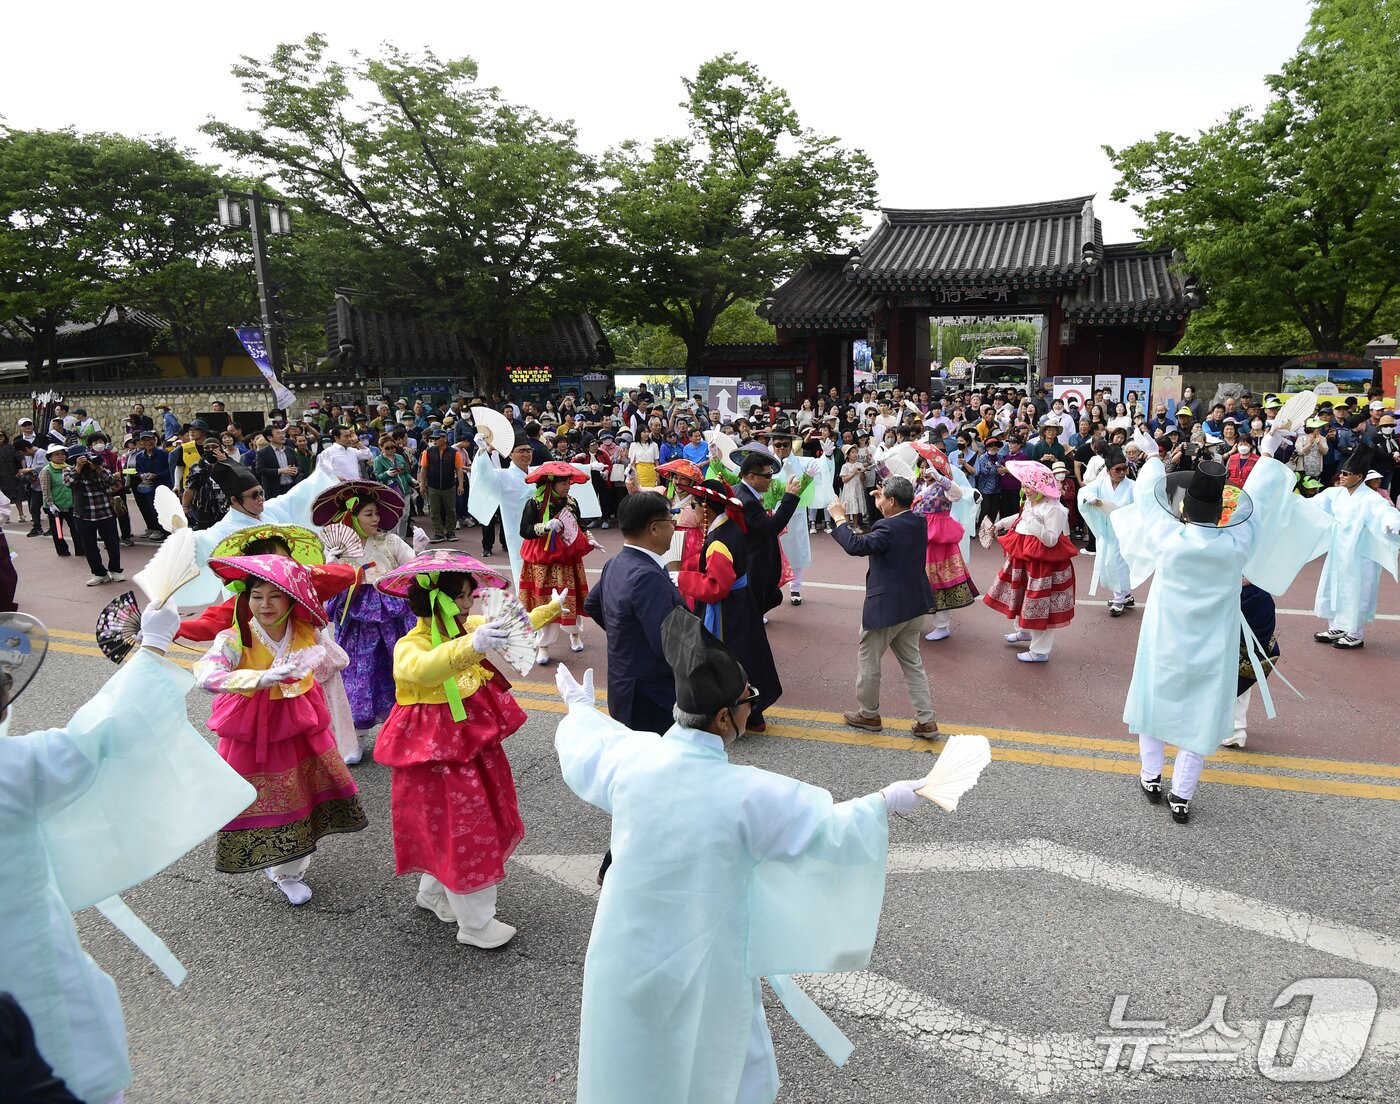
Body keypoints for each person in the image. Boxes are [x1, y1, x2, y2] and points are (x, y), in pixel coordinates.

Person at [552, 606, 935, 1104]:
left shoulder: (636, 759)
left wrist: (580, 710)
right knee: (717, 1061)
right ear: (722, 717)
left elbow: (591, 748)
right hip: (705, 957)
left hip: (627, 948)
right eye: (746, 701)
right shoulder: (746, 793)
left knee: (633, 1059)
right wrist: (886, 802)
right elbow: (827, 829)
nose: (751, 708)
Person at [0, 609, 255, 1104]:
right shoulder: (12, 770)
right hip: (23, 973)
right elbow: (97, 739)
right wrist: (152, 649)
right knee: (62, 1058)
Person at [1111, 430, 1327, 822]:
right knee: (1203, 711)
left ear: (1184, 510)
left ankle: (1150, 776)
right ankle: (1182, 794)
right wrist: (1267, 453)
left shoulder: (1168, 538)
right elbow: (1259, 505)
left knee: (1152, 700)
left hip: (1165, 640)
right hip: (1212, 645)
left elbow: (1147, 501)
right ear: (1223, 512)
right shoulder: (1236, 545)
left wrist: (1153, 458)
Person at [373, 551, 564, 947]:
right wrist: (470, 645)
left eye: (468, 595)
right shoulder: (410, 645)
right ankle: (475, 924)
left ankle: (434, 891)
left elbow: (511, 626)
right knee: (464, 827)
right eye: (461, 596)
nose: (469, 603)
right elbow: (424, 669)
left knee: (450, 822)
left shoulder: (464, 627)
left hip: (467, 748)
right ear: (437, 599)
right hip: (436, 756)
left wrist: (549, 609)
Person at [193, 554, 369, 903]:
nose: (265, 604)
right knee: (261, 796)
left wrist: (313, 661)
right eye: (256, 595)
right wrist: (257, 678)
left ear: (291, 598)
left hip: (300, 721)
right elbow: (206, 674)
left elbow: (338, 660)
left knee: (302, 793)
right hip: (252, 727)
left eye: (274, 595)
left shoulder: (306, 631)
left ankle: (290, 869)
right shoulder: (236, 634)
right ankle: (276, 862)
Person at [827, 475, 939, 735]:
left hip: (887, 606)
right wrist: (884, 506)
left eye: (883, 496)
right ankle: (926, 720)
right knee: (913, 663)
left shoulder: (887, 528)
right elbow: (890, 527)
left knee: (869, 660)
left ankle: (868, 714)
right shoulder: (917, 521)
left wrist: (840, 518)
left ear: (892, 500)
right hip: (914, 603)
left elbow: (856, 545)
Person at [313, 481, 417, 757]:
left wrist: (419, 553)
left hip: (393, 623)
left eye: (376, 513)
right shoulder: (337, 548)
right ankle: (353, 737)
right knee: (357, 675)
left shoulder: (390, 541)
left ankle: (398, 730)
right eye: (369, 514)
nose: (376, 519)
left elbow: (413, 568)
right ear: (352, 517)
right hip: (356, 624)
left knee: (397, 672)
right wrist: (330, 563)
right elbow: (323, 587)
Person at [676, 479, 784, 733]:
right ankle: (753, 714)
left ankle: (730, 716)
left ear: (706, 507)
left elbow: (715, 586)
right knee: (750, 655)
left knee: (726, 659)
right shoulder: (729, 526)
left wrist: (681, 577)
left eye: (695, 504)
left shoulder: (718, 540)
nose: (693, 509)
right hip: (741, 603)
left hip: (726, 610)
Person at [583, 490, 686, 736]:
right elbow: (669, 644)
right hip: (652, 697)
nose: (674, 529)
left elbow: (592, 604)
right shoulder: (648, 576)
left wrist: (626, 636)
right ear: (654, 529)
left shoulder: (616, 563)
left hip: (622, 686)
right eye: (671, 522)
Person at [983, 460, 1079, 663]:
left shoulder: (1055, 509)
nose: (1025, 489)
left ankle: (1040, 650)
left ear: (1040, 487)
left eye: (1029, 486)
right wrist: (1000, 524)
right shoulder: (1032, 502)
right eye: (1024, 485)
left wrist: (1033, 520)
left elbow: (1051, 540)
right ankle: (1024, 630)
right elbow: (1020, 518)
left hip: (1044, 564)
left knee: (1041, 603)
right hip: (1025, 557)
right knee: (1023, 595)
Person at [1311, 445, 1400, 650]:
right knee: (1333, 585)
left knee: (1357, 589)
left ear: (1359, 477)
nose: (1341, 476)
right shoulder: (1336, 494)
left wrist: (1392, 523)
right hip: (1338, 550)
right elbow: (1313, 505)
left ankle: (1355, 632)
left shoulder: (1371, 498)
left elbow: (1386, 512)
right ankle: (1336, 626)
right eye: (1341, 472)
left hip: (1359, 553)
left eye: (1346, 474)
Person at [519, 461, 595, 663]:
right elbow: (524, 530)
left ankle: (574, 633)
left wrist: (589, 537)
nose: (568, 486)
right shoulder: (534, 503)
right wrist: (545, 526)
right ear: (551, 484)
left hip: (566, 558)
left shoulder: (571, 502)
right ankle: (543, 645)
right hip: (542, 560)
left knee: (569, 597)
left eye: (569, 482)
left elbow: (580, 524)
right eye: (563, 483)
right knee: (544, 601)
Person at [911, 447, 977, 642]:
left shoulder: (943, 486)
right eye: (921, 467)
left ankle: (942, 625)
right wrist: (881, 468)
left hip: (939, 539)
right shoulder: (917, 484)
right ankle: (916, 620)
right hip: (919, 535)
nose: (924, 471)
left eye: (928, 467)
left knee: (939, 581)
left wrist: (940, 478)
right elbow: (899, 487)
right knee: (918, 579)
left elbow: (957, 494)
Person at [732, 450, 804, 618]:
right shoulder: (748, 501)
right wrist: (790, 497)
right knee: (759, 607)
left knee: (772, 597)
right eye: (767, 476)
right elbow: (772, 527)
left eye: (771, 474)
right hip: (754, 564)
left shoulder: (739, 490)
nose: (770, 479)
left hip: (750, 560)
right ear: (751, 477)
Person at [469, 427, 535, 585]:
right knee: (522, 567)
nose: (526, 454)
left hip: (538, 528)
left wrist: (588, 468)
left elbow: (558, 468)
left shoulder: (536, 472)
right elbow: (484, 476)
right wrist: (483, 452)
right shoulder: (503, 475)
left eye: (528, 450)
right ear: (511, 455)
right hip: (516, 529)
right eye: (521, 451)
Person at [1077, 445, 1136, 615]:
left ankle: (1119, 598)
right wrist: (1090, 498)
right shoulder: (1101, 482)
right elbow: (1084, 492)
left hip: (1125, 530)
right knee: (1112, 562)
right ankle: (1124, 594)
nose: (1122, 473)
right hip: (1107, 529)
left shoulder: (1132, 486)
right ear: (1109, 470)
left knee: (1117, 562)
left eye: (1125, 468)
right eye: (1118, 469)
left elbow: (1140, 505)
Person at [1223, 581, 1280, 749]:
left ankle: (1234, 726)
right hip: (1256, 598)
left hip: (1233, 596)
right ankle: (1235, 725)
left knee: (1233, 662)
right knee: (1244, 661)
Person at [62, 444, 124, 586]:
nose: (85, 460)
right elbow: (69, 483)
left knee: (113, 544)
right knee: (89, 547)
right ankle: (99, 573)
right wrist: (78, 468)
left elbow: (111, 482)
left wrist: (98, 468)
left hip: (105, 512)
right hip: (83, 515)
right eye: (80, 458)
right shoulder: (68, 470)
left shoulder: (98, 467)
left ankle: (115, 570)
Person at [419, 428, 465, 542]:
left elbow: (459, 469)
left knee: (451, 510)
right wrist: (421, 484)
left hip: (449, 486)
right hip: (432, 486)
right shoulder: (427, 452)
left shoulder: (454, 453)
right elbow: (423, 469)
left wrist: (460, 485)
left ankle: (450, 532)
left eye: (437, 438)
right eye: (433, 438)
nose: (434, 440)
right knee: (434, 510)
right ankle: (438, 533)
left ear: (445, 439)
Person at [37, 444, 79, 559]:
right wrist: (51, 504)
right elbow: (46, 489)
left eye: (62, 454)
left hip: (71, 504)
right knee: (58, 530)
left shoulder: (70, 467)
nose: (61, 456)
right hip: (55, 506)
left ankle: (80, 549)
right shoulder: (46, 471)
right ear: (50, 457)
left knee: (76, 528)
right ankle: (62, 551)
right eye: (57, 454)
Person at [131, 428, 174, 539]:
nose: (147, 442)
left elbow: (170, 470)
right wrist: (141, 475)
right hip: (149, 487)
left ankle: (168, 532)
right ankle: (158, 530)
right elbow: (138, 470)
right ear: (141, 442)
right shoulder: (140, 456)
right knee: (153, 508)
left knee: (165, 508)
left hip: (164, 485)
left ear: (155, 440)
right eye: (144, 440)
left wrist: (157, 475)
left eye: (150, 439)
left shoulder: (163, 454)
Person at [255, 425, 300, 499]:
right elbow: (260, 470)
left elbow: (298, 466)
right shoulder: (263, 453)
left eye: (283, 433)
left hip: (291, 487)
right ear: (270, 437)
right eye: (278, 434)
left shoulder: (290, 450)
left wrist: (296, 470)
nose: (282, 436)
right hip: (274, 489)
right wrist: (281, 470)